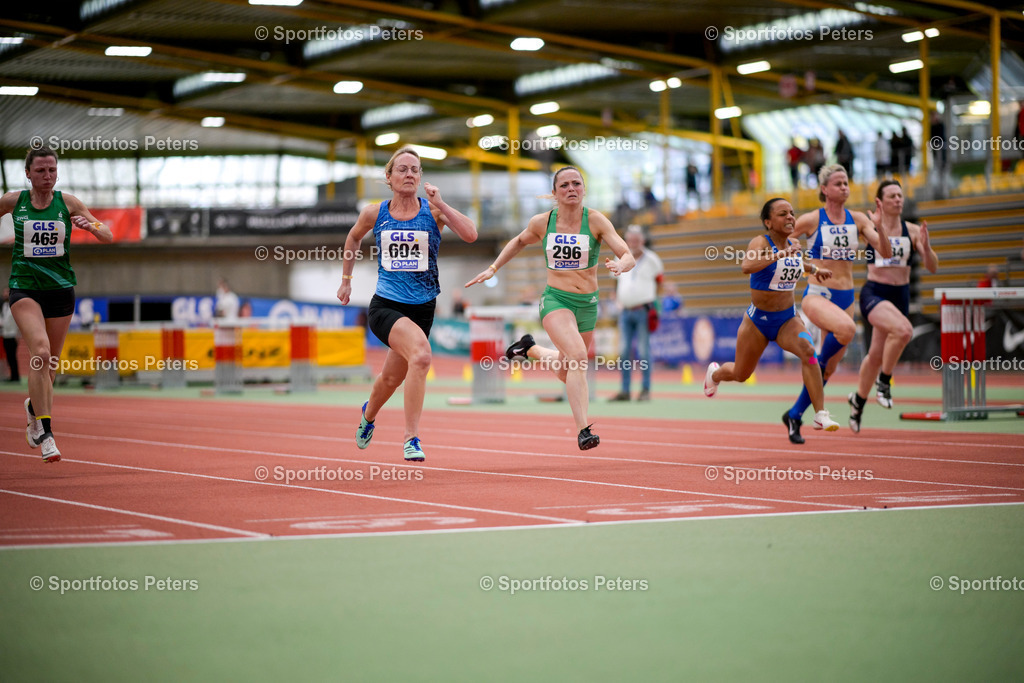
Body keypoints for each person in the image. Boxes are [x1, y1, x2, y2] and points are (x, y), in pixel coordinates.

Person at [465, 166, 634, 450]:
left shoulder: (595, 221)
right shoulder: (542, 223)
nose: (571, 189)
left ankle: (530, 349)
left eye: (576, 184)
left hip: (588, 304)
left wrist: (621, 264)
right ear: (555, 193)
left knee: (568, 371)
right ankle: (583, 429)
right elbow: (518, 241)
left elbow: (627, 253)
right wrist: (494, 268)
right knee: (579, 356)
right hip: (556, 300)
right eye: (565, 185)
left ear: (584, 189)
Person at [337, 146, 477, 462]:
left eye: (415, 169)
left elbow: (470, 234)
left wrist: (440, 202)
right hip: (386, 305)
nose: (409, 174)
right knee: (422, 355)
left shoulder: (433, 210)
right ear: (389, 177)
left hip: (423, 307)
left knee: (391, 379)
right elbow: (354, 237)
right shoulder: (375, 213)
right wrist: (347, 278)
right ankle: (411, 438)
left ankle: (368, 414)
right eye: (402, 169)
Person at [2, 146, 113, 462]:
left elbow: (108, 233)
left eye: (51, 170)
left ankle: (33, 409)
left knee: (50, 366)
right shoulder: (14, 202)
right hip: (24, 288)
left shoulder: (68, 203)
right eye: (40, 171)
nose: (47, 176)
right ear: (28, 173)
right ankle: (46, 433)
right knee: (40, 352)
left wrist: (89, 226)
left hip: (61, 290)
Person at [704, 198, 840, 434]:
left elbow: (797, 262)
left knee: (809, 352)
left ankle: (820, 414)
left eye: (792, 213)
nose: (790, 217)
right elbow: (747, 266)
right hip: (757, 322)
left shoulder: (794, 244)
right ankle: (715, 373)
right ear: (768, 222)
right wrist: (781, 254)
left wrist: (816, 269)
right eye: (782, 214)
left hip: (787, 319)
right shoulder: (760, 242)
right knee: (741, 374)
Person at [781, 164, 891, 444]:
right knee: (847, 331)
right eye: (838, 183)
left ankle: (794, 414)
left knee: (830, 368)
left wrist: (880, 224)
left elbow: (886, 252)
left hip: (846, 298)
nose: (844, 187)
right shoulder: (811, 220)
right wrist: (793, 250)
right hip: (818, 295)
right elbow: (781, 242)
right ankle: (814, 366)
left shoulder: (857, 220)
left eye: (846, 182)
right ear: (824, 189)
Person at [848, 179, 938, 432]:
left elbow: (932, 267)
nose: (898, 199)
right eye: (892, 196)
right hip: (875, 293)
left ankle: (858, 402)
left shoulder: (911, 230)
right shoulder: (870, 228)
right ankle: (885, 382)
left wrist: (927, 247)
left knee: (876, 355)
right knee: (904, 330)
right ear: (880, 202)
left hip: (901, 295)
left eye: (900, 195)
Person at [608, 225, 663, 402]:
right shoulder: (620, 257)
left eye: (636, 240)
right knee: (623, 352)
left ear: (643, 240)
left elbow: (659, 282)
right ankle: (625, 390)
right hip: (625, 311)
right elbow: (615, 283)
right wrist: (616, 299)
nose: (633, 243)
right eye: (630, 240)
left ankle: (645, 389)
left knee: (643, 351)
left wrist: (654, 304)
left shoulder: (652, 259)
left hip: (643, 310)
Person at [2, 287, 20, 382]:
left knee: (13, 357)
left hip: (12, 334)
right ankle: (12, 375)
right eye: (4, 293)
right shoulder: (4, 306)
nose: (4, 295)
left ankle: (15, 376)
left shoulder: (14, 306)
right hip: (5, 334)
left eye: (6, 293)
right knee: (9, 357)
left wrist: (18, 334)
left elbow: (17, 321)